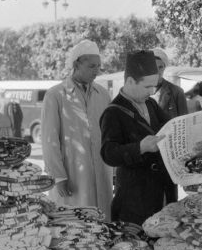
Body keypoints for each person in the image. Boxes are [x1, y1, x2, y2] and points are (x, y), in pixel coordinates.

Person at [100, 50, 177, 225]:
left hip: (162, 189)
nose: (152, 91)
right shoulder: (113, 112)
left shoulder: (150, 103)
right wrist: (140, 147)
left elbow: (169, 126)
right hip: (135, 197)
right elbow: (108, 153)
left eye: (154, 86)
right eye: (147, 87)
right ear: (130, 81)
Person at [41, 39, 113, 220]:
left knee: (102, 224)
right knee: (75, 226)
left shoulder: (103, 95)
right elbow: (49, 141)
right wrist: (58, 177)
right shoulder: (55, 95)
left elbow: (110, 135)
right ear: (76, 65)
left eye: (98, 66)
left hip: (102, 173)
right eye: (91, 66)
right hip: (73, 176)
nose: (96, 71)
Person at [151, 48, 188, 118]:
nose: (157, 71)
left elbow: (184, 121)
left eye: (160, 67)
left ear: (164, 67)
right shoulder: (142, 92)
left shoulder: (177, 92)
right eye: (154, 67)